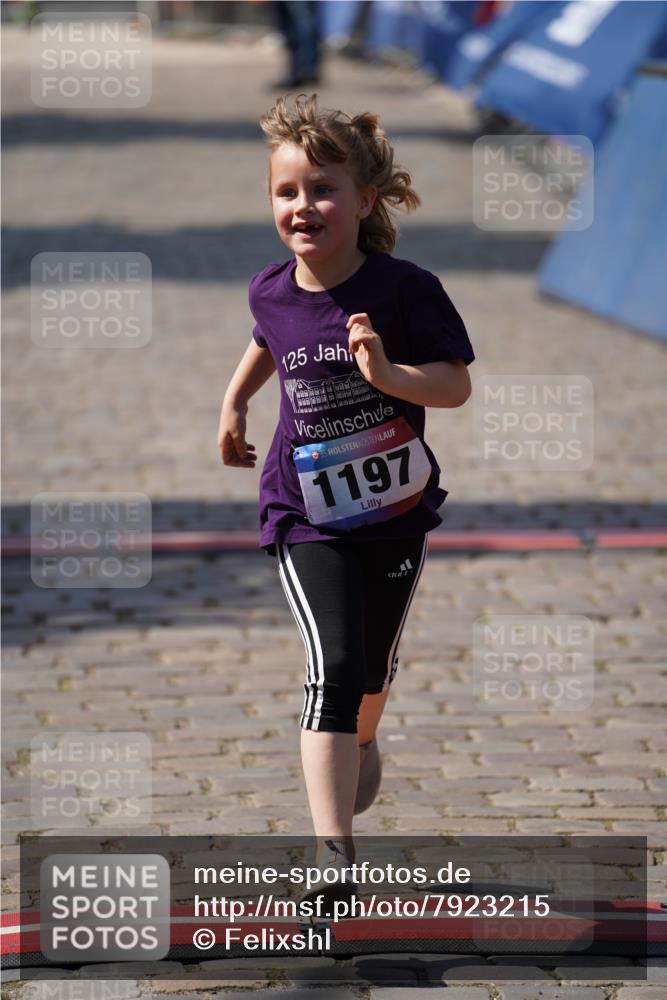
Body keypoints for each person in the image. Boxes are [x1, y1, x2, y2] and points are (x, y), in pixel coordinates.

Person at [217, 92, 475, 910]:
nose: (304, 206)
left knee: (367, 669)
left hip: (394, 512)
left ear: (365, 201)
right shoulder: (269, 289)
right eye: (287, 192)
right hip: (303, 512)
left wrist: (390, 378)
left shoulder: (405, 289)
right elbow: (268, 339)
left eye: (323, 189)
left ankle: (363, 732)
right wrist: (233, 405)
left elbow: (455, 383)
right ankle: (334, 854)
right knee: (329, 666)